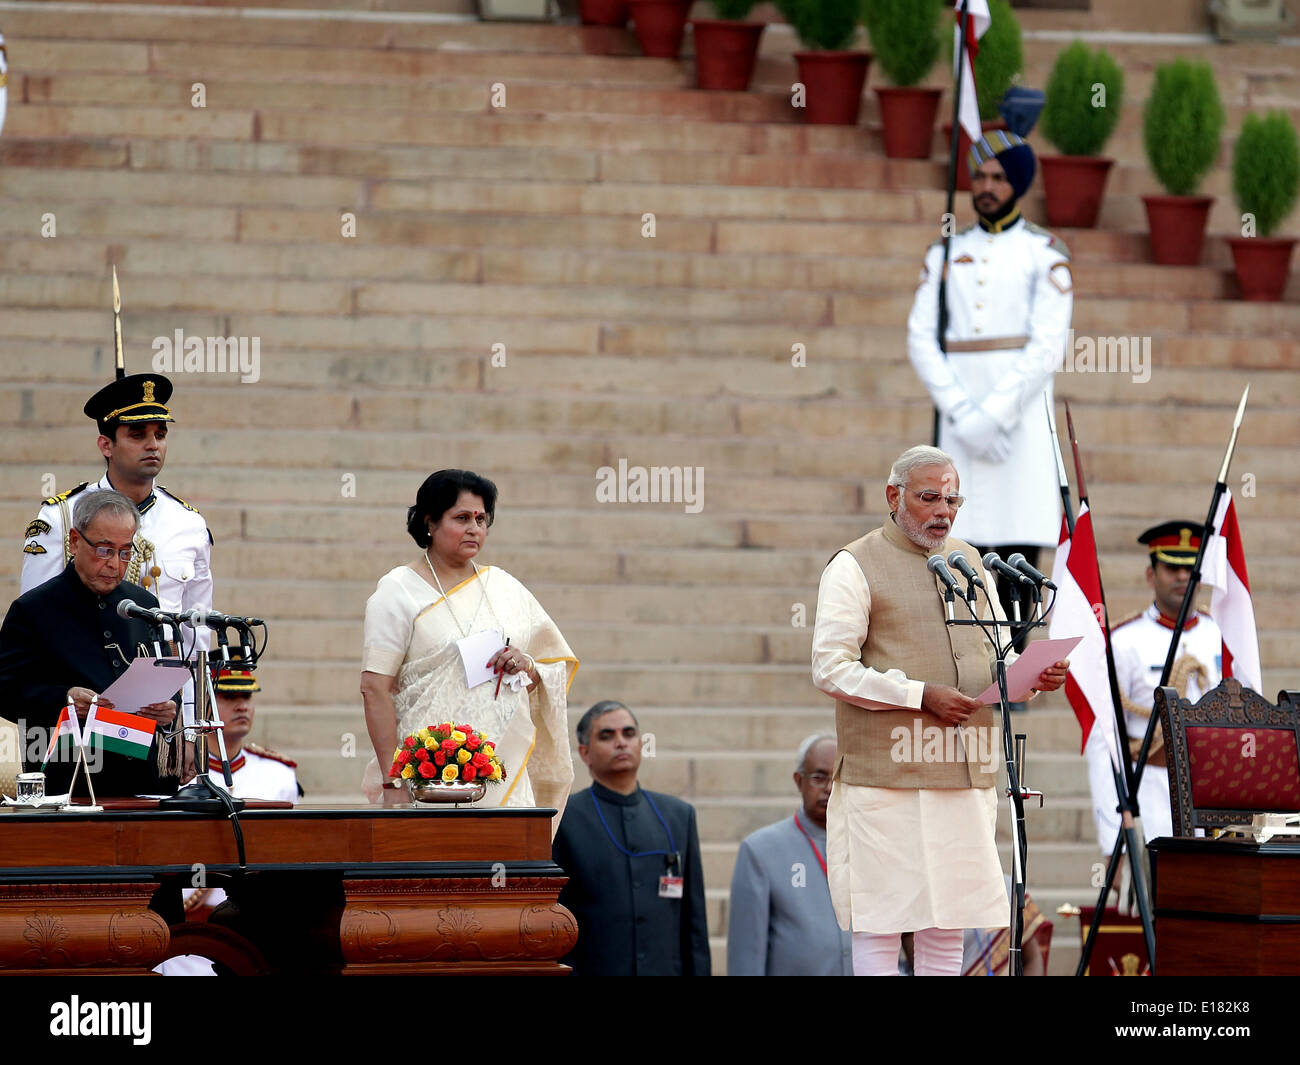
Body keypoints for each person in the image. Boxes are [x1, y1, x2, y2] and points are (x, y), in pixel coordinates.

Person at [811, 445, 1069, 976]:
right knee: (882, 923)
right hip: (886, 778)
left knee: (947, 924)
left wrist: (1030, 677)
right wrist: (918, 695)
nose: (943, 511)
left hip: (964, 773)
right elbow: (830, 668)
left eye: (952, 499)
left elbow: (995, 653)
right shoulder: (854, 565)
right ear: (893, 496)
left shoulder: (970, 561)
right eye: (929, 497)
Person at [906, 131, 1073, 629]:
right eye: (979, 176)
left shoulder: (1043, 252)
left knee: (1019, 544)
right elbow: (920, 338)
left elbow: (1046, 346)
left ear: (1017, 184)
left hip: (1018, 419)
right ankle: (974, 658)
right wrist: (962, 413)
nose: (986, 186)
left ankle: (1016, 662)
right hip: (960, 414)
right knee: (960, 538)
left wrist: (994, 417)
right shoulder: (944, 253)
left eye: (998, 177)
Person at [360, 469, 577, 824]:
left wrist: (525, 665)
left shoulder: (504, 588)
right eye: (461, 518)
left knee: (507, 869)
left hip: (502, 765)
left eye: (481, 518)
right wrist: (392, 778)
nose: (474, 527)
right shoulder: (398, 590)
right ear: (430, 522)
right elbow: (374, 687)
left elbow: (549, 667)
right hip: (426, 773)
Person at [21, 371, 213, 728]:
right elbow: (35, 623)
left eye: (160, 434)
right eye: (137, 435)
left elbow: (194, 639)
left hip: (159, 715)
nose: (152, 444)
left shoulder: (189, 524)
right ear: (106, 445)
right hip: (82, 715)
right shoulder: (61, 517)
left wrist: (191, 727)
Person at [0, 490, 180, 797]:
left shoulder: (144, 604)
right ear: (74, 542)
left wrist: (167, 711)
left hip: (140, 781)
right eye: (104, 550)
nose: (115, 564)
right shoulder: (33, 609)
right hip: (68, 780)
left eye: (126, 552)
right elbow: (5, 690)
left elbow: (161, 676)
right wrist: (64, 698)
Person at [1085, 521, 1223, 849]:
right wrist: (1112, 838)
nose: (1181, 577)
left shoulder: (1222, 636)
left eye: (1190, 569)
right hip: (1149, 787)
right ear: (1151, 575)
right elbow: (1104, 740)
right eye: (1172, 568)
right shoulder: (1124, 640)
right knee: (1150, 893)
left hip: (1211, 788)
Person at [159, 660, 300, 976]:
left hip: (250, 926)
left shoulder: (279, 775)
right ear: (205, 704)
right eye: (228, 697)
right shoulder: (177, 776)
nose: (241, 706)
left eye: (247, 697)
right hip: (180, 929)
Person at [552, 700, 710, 976]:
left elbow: (693, 920)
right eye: (606, 735)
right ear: (585, 753)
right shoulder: (565, 818)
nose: (621, 742)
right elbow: (556, 918)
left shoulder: (678, 815)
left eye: (629, 733)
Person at [727, 732, 853, 976]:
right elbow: (746, 958)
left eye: (840, 777)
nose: (830, 788)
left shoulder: (870, 845)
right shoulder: (760, 850)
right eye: (819, 777)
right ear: (799, 781)